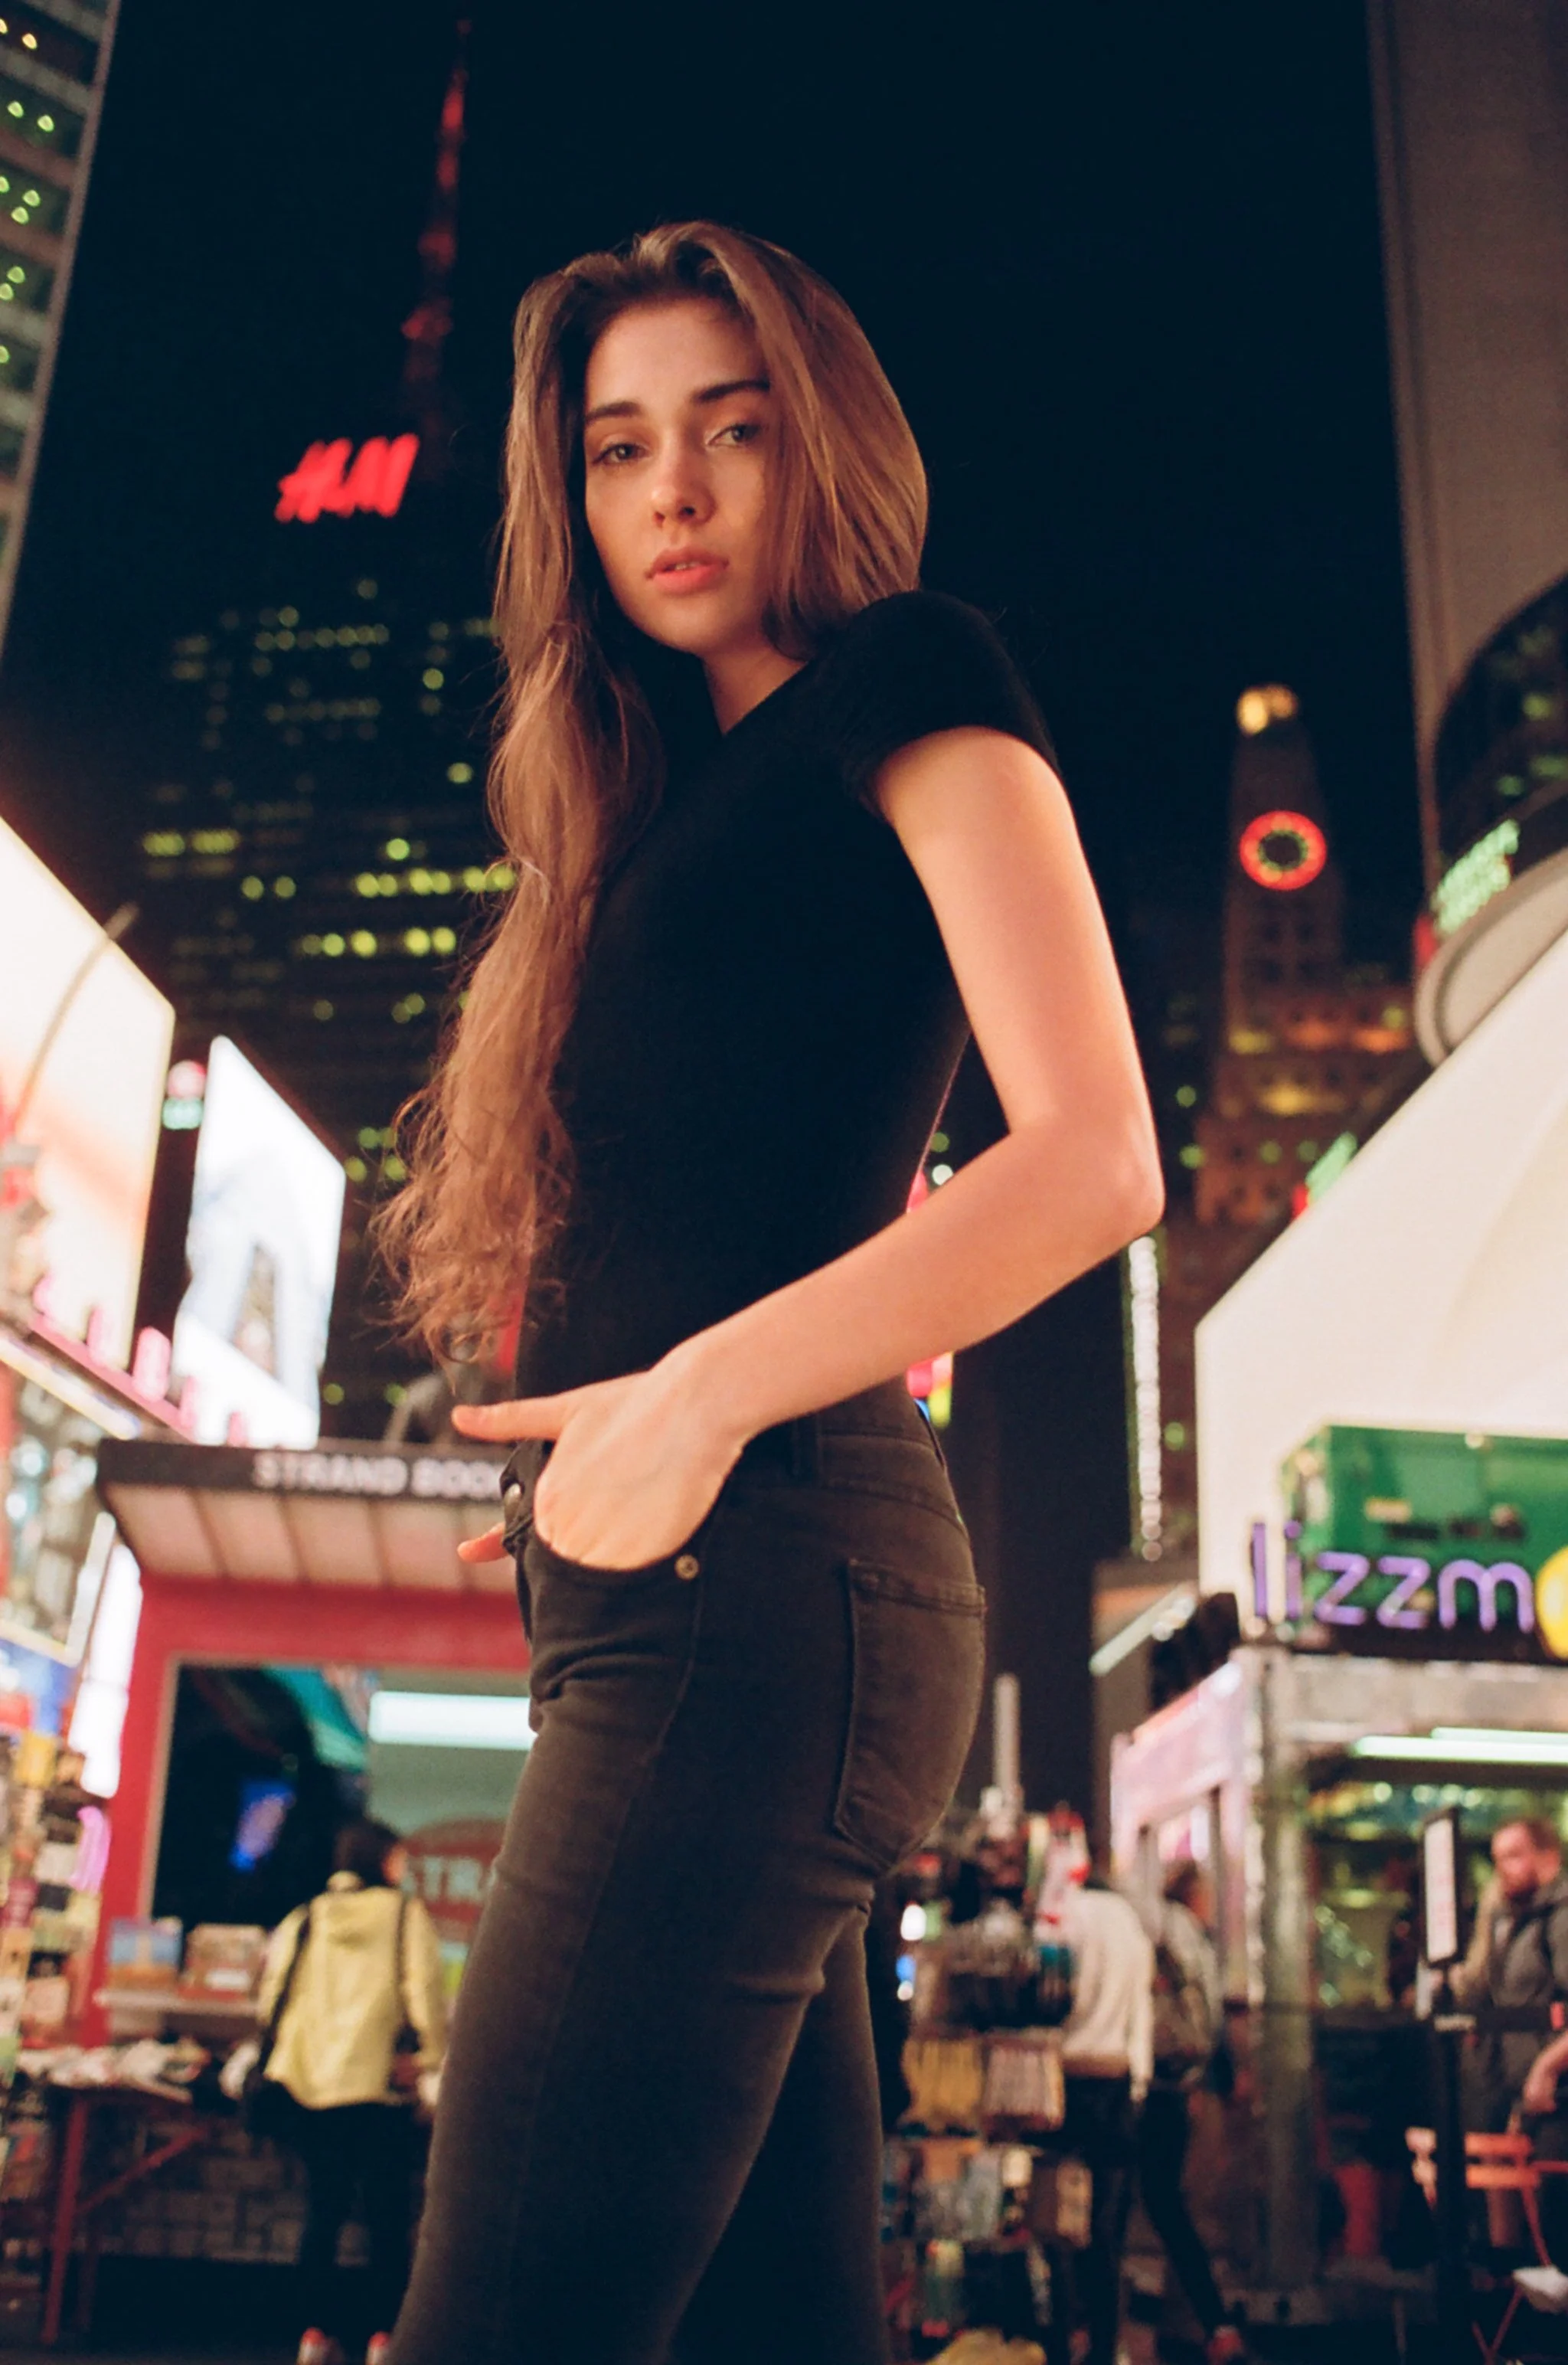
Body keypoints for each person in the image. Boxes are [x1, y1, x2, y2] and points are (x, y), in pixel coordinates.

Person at [375, 221, 1162, 2365]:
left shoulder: (913, 678)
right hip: (681, 1601)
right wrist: (595, 1442)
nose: (678, 495)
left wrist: (691, 1400)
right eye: (622, 451)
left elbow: (1096, 1156)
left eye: (729, 431)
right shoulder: (640, 806)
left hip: (769, 1589)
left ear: (821, 439)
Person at [256, 1818, 446, 2365]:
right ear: (381, 1859)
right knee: (387, 2219)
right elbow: (424, 1992)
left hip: (312, 2087)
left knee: (323, 2212)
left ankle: (315, 2336)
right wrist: (431, 2057)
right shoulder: (405, 1916)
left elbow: (274, 1997)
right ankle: (383, 2339)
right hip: (379, 2090)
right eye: (399, 1858)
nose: (404, 1867)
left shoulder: (307, 1917)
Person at [1138, 1863, 1245, 2363]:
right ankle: (1203, 2322)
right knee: (1178, 2206)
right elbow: (1212, 2018)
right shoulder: (1189, 1938)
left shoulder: (1168, 1933)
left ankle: (1202, 2321)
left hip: (1165, 2083)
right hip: (1183, 2083)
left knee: (1167, 2205)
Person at [1056, 1868, 1155, 2365]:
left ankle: (1059, 2339)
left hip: (1067, 2079)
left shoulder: (1069, 1913)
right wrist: (1138, 2080)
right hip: (1117, 2082)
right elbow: (1143, 2012)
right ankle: (1102, 2347)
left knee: (1058, 2220)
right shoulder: (1131, 1926)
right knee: (1107, 2229)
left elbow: (1058, 1993)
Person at [1461, 1817, 1568, 2259]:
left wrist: (1548, 2066)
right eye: (1497, 1859)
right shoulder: (1511, 1918)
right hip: (1515, 2089)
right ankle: (1520, 2318)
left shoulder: (1560, 1916)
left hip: (1556, 2096)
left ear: (1548, 1856)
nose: (1503, 1868)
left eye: (1513, 1855)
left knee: (1554, 2224)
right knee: (1520, 2229)